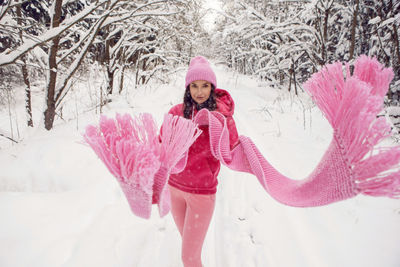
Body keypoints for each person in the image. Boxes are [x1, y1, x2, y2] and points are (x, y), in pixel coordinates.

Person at [166, 56, 239, 267]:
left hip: (202, 194)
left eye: (205, 86)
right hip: (174, 190)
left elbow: (231, 150)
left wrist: (223, 120)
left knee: (189, 257)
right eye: (194, 86)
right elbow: (162, 145)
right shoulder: (176, 113)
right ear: (188, 88)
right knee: (189, 249)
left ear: (212, 87)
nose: (199, 92)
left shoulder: (220, 117)